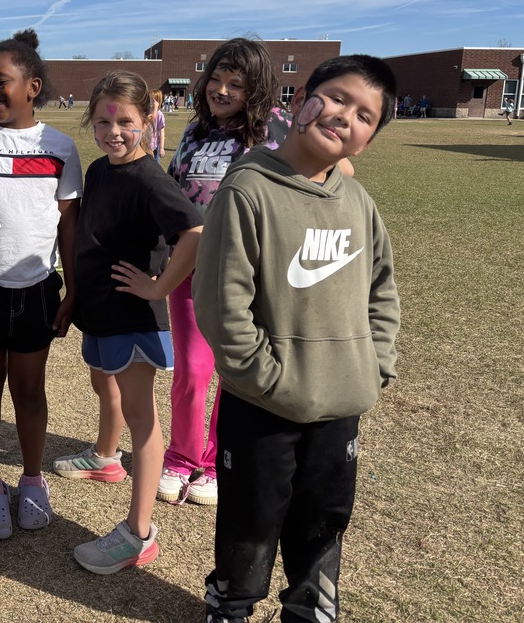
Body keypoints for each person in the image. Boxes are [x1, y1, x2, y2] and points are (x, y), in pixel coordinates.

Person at [195, 55, 400, 622]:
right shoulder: (249, 188)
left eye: (364, 116)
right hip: (263, 404)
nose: (343, 117)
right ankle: (231, 603)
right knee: (250, 517)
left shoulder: (357, 201)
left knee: (324, 518)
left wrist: (373, 367)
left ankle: (310, 605)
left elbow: (382, 288)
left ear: (366, 141)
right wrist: (268, 378)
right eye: (335, 97)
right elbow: (221, 305)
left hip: (340, 404)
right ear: (303, 96)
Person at [68, 71, 203, 575]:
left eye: (125, 120)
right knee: (104, 388)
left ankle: (139, 534)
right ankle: (105, 459)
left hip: (133, 316)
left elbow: (194, 231)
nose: (114, 131)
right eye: (103, 121)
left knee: (143, 422)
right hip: (101, 311)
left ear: (148, 120)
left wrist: (159, 286)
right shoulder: (102, 169)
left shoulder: (150, 178)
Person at [0, 29, 83, 540]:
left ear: (33, 86)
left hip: (35, 290)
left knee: (29, 391)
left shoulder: (60, 147)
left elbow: (67, 223)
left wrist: (71, 288)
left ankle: (31, 481)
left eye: (0, 80)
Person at [158, 38, 291, 507]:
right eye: (215, 79)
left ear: (256, 89)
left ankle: (214, 464)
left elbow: (335, 171)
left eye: (236, 83)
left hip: (247, 276)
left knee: (233, 373)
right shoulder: (197, 130)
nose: (222, 90)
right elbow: (174, 189)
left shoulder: (277, 128)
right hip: (190, 268)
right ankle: (180, 457)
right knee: (192, 371)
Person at [147, 89, 167, 164]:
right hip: (145, 145)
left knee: (155, 166)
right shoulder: (146, 112)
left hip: (155, 146)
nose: (149, 101)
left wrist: (161, 148)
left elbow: (162, 133)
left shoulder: (160, 115)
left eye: (151, 100)